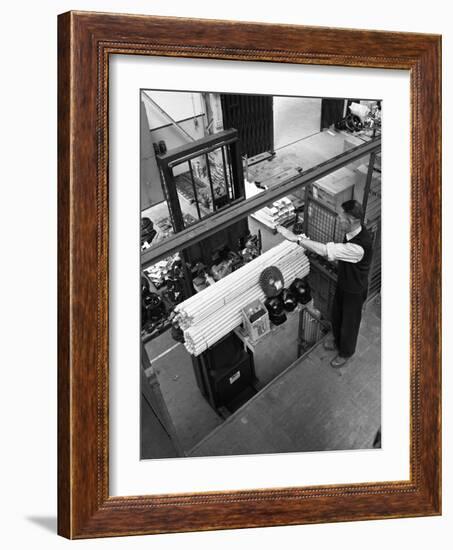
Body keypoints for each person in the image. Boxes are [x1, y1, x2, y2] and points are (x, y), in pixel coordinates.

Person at [277, 200, 373, 368]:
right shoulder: (351, 233)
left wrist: (296, 239)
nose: (338, 220)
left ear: (351, 220)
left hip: (354, 290)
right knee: (337, 315)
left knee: (349, 323)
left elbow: (325, 251)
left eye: (341, 217)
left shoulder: (359, 246)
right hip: (344, 283)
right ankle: (337, 342)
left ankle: (346, 352)